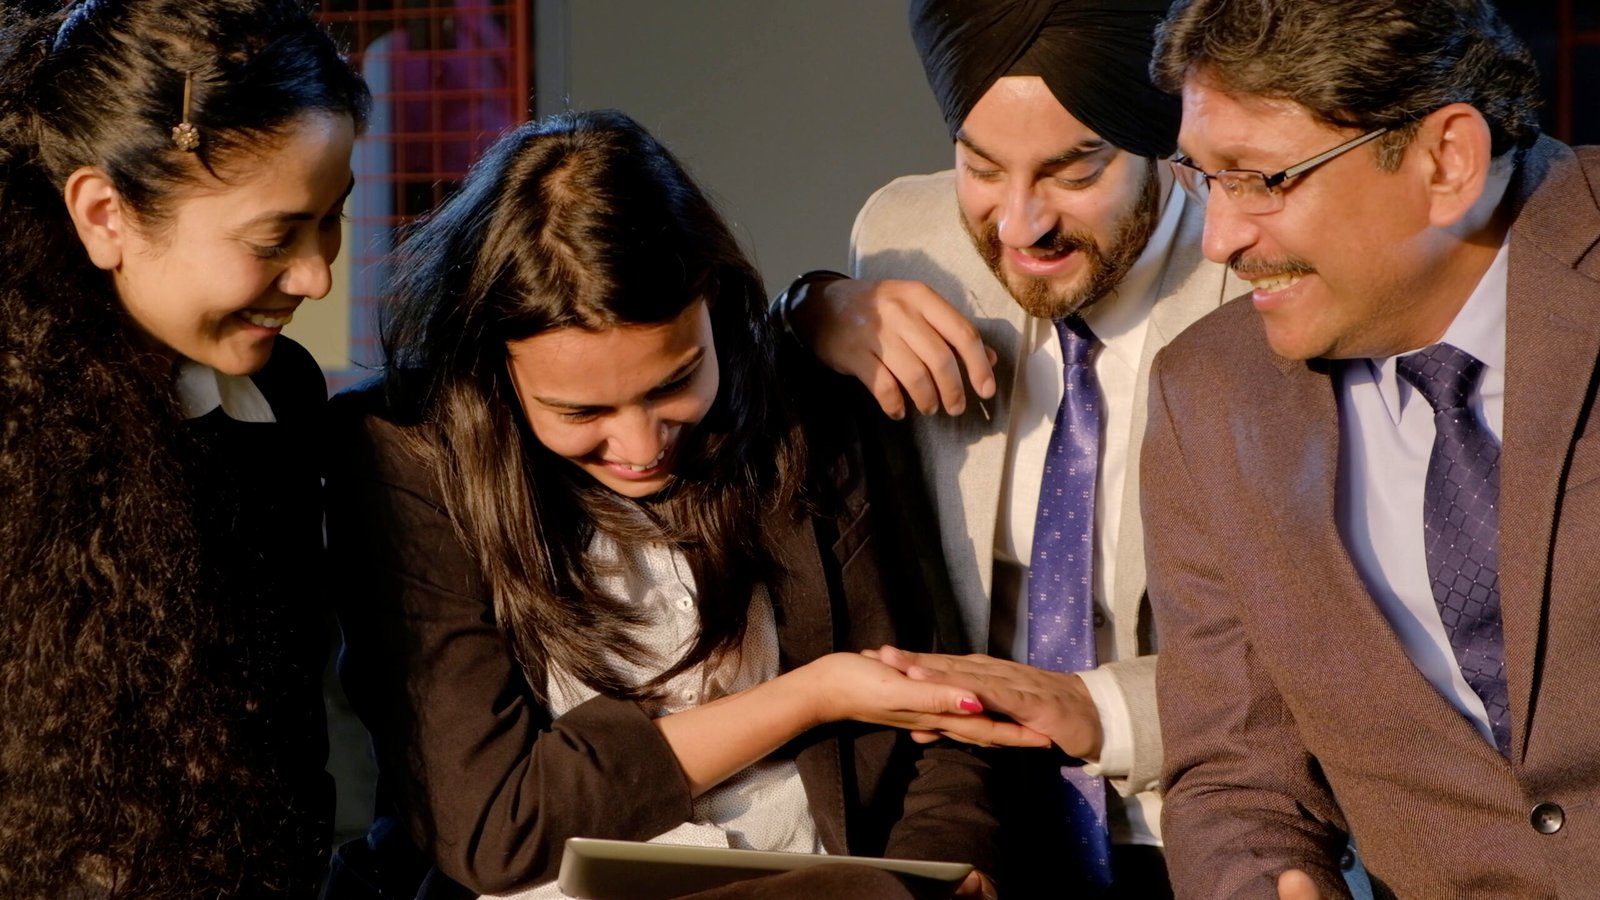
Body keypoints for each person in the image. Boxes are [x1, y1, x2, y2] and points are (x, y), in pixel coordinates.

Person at [322, 110, 1018, 900]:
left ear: (712, 304)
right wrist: (811, 694)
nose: (641, 444)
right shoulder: (406, 456)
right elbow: (496, 829)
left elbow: (936, 713)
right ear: (495, 371)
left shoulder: (806, 405)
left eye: (673, 384)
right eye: (580, 415)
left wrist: (952, 867)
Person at [776, 0, 1241, 894]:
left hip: (1199, 814)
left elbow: (1324, 646)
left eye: (1074, 172)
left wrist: (1101, 709)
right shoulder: (902, 239)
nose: (1021, 226)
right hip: (965, 819)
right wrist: (807, 313)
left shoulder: (1253, 274)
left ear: (1163, 140)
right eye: (982, 167)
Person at [1140, 0, 1600, 896]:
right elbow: (1237, 777)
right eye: (1205, 178)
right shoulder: (1207, 392)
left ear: (1446, 160)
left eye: (1262, 179)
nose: (1219, 239)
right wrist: (1257, 881)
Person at [0, 1, 369, 897]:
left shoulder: (278, 393)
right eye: (274, 237)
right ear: (105, 213)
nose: (317, 274)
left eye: (330, 219)